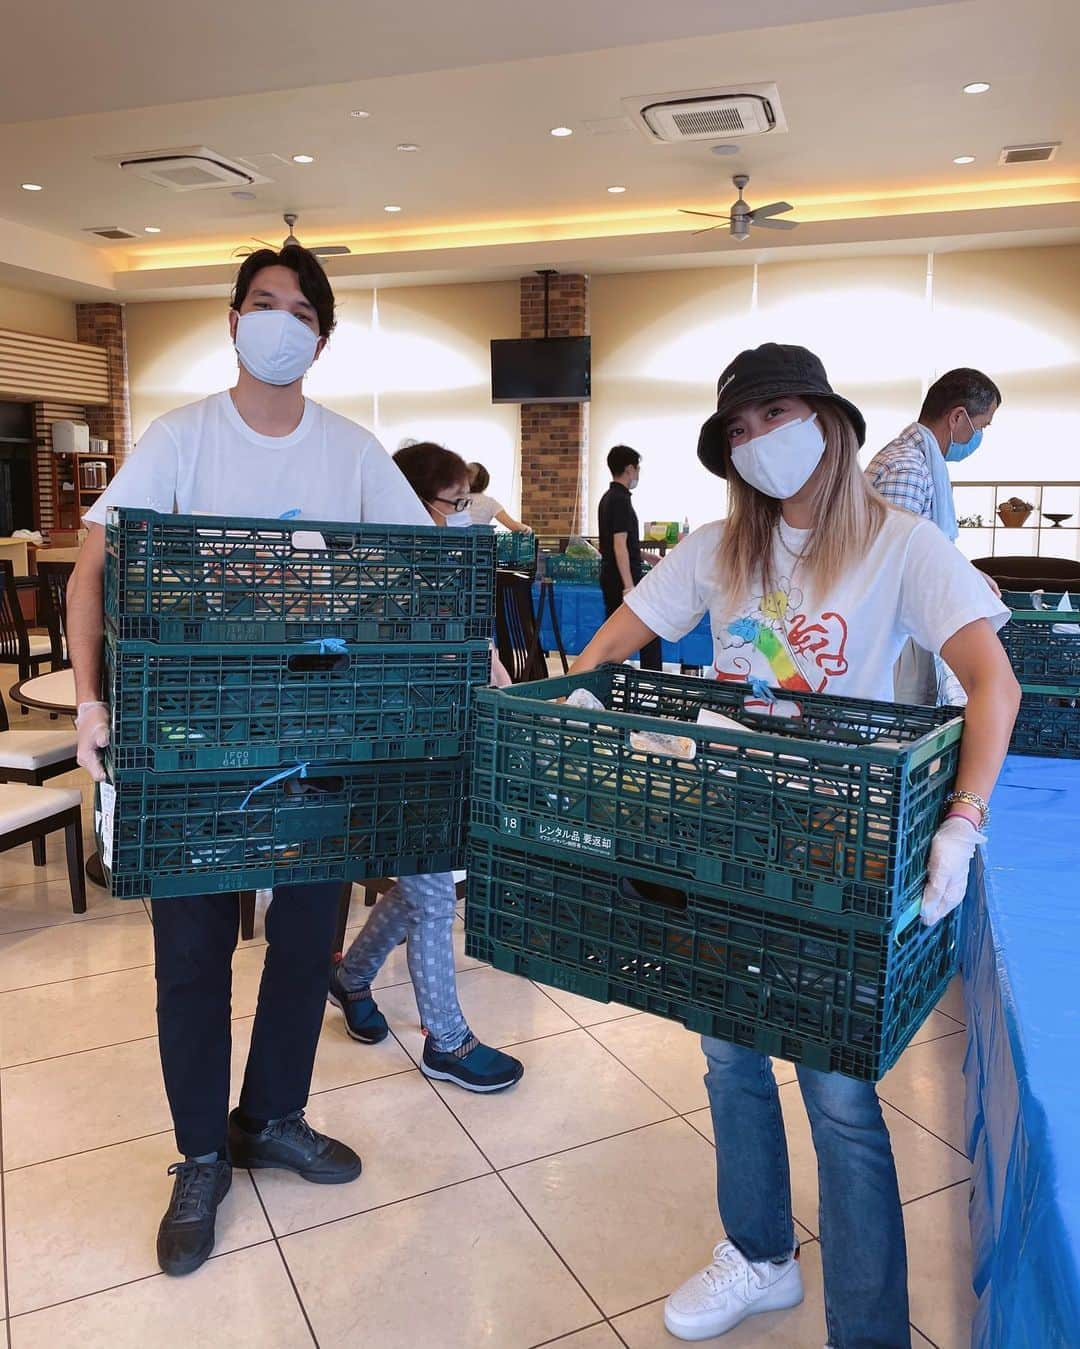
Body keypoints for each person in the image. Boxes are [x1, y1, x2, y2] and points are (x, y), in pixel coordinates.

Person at [570, 343, 1019, 1348]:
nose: (757, 440)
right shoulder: (721, 549)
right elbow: (613, 642)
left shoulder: (902, 545)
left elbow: (995, 682)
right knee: (728, 1056)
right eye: (738, 428)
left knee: (839, 1092)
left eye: (774, 413)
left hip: (839, 844)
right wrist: (583, 703)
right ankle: (762, 1253)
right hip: (725, 831)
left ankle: (868, 1327)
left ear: (827, 419)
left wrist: (964, 816)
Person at [66, 244, 433, 1279]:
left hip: (314, 740)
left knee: (305, 933)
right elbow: (92, 570)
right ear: (233, 320)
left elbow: (423, 575)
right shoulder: (182, 440)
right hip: (189, 741)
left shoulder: (353, 454)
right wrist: (91, 696)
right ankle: (198, 1153)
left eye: (301, 309)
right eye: (263, 304)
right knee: (190, 954)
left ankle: (272, 1112)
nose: (281, 321)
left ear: (322, 334)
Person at [330, 441, 524, 1093]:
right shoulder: (374, 572)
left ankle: (351, 976)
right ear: (412, 501)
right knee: (435, 892)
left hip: (437, 748)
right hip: (389, 755)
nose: (465, 513)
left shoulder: (444, 562)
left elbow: (475, 646)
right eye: (456, 502)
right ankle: (447, 1038)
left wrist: (499, 688)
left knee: (420, 886)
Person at [867, 368, 1002, 703]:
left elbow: (922, 545)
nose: (979, 436)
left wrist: (967, 573)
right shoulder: (907, 468)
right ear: (958, 417)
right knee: (900, 725)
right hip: (896, 629)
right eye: (982, 425)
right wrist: (964, 576)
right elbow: (896, 560)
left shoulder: (916, 460)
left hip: (907, 622)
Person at [597, 444, 662, 671]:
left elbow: (623, 544)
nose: (637, 474)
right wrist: (628, 586)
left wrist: (646, 557)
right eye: (637, 469)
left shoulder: (609, 498)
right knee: (648, 630)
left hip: (612, 575)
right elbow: (618, 545)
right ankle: (653, 680)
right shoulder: (620, 500)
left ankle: (616, 674)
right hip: (620, 579)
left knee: (617, 632)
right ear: (629, 469)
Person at [466, 460, 531, 532]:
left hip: (453, 542)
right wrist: (527, 528)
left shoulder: (454, 499)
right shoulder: (489, 502)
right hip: (480, 542)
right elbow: (513, 526)